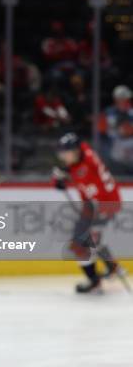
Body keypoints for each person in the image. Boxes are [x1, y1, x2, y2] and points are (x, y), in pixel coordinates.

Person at [52, 133, 125, 293]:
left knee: (82, 245)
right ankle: (109, 267)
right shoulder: (83, 153)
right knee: (86, 243)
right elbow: (74, 171)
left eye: (66, 153)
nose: (63, 156)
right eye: (62, 153)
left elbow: (78, 174)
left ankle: (97, 279)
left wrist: (62, 177)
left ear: (76, 151)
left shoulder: (84, 167)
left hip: (104, 205)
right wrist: (61, 177)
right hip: (97, 204)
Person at [98, 85, 133, 169]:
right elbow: (101, 130)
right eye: (122, 99)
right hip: (113, 144)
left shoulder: (131, 111)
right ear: (116, 99)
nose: (126, 101)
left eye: (127, 99)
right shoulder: (108, 112)